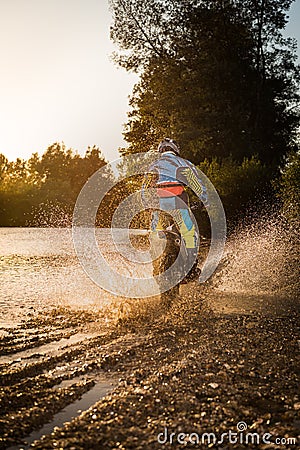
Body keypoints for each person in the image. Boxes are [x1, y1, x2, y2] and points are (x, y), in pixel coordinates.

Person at [142, 138, 208, 285]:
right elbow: (199, 187)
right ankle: (190, 270)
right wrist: (204, 202)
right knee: (191, 234)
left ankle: (155, 268)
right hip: (180, 208)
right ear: (175, 150)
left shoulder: (153, 167)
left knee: (153, 236)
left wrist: (148, 206)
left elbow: (144, 192)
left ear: (161, 151)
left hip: (159, 212)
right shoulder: (183, 163)